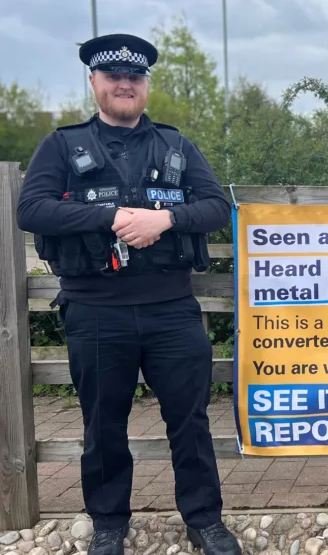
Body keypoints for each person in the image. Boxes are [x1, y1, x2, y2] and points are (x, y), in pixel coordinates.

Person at [16, 34, 239, 555]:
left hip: (173, 311)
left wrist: (164, 218)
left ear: (144, 86)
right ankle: (109, 523)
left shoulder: (176, 146)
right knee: (103, 425)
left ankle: (205, 520)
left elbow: (214, 207)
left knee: (191, 420)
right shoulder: (61, 146)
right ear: (94, 82)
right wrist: (111, 216)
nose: (124, 84)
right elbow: (33, 210)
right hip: (95, 311)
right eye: (113, 76)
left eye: (134, 77)